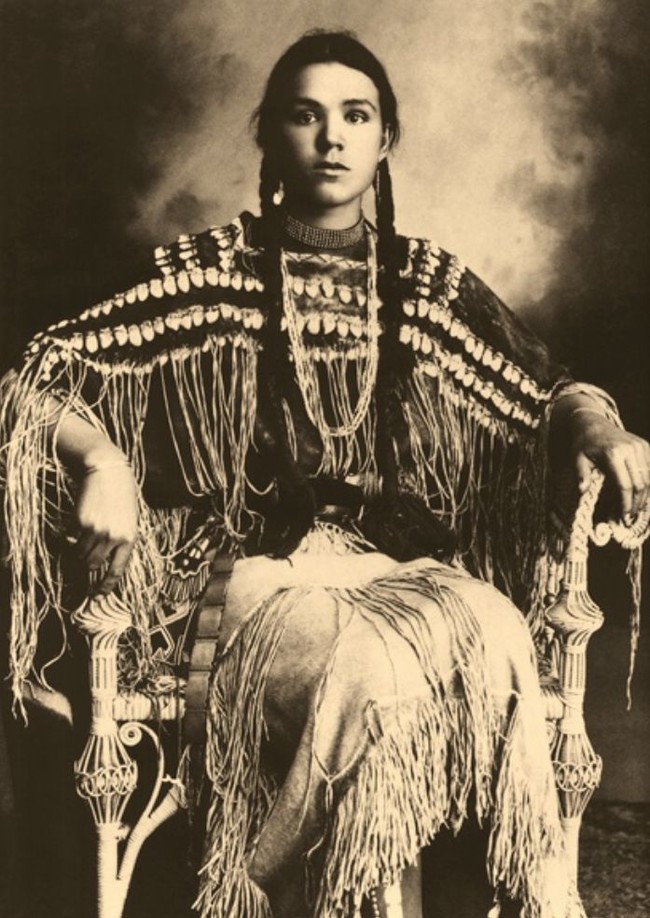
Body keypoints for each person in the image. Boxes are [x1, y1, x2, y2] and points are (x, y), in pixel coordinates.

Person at [1, 29, 649, 918]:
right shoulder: (212, 272)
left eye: (356, 116)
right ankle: (267, 887)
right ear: (269, 136)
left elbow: (546, 392)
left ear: (386, 140)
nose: (333, 138)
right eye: (306, 116)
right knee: (372, 674)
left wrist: (602, 428)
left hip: (396, 570)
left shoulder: (425, 285)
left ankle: (542, 897)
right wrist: (104, 459)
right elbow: (37, 375)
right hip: (255, 575)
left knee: (497, 630)